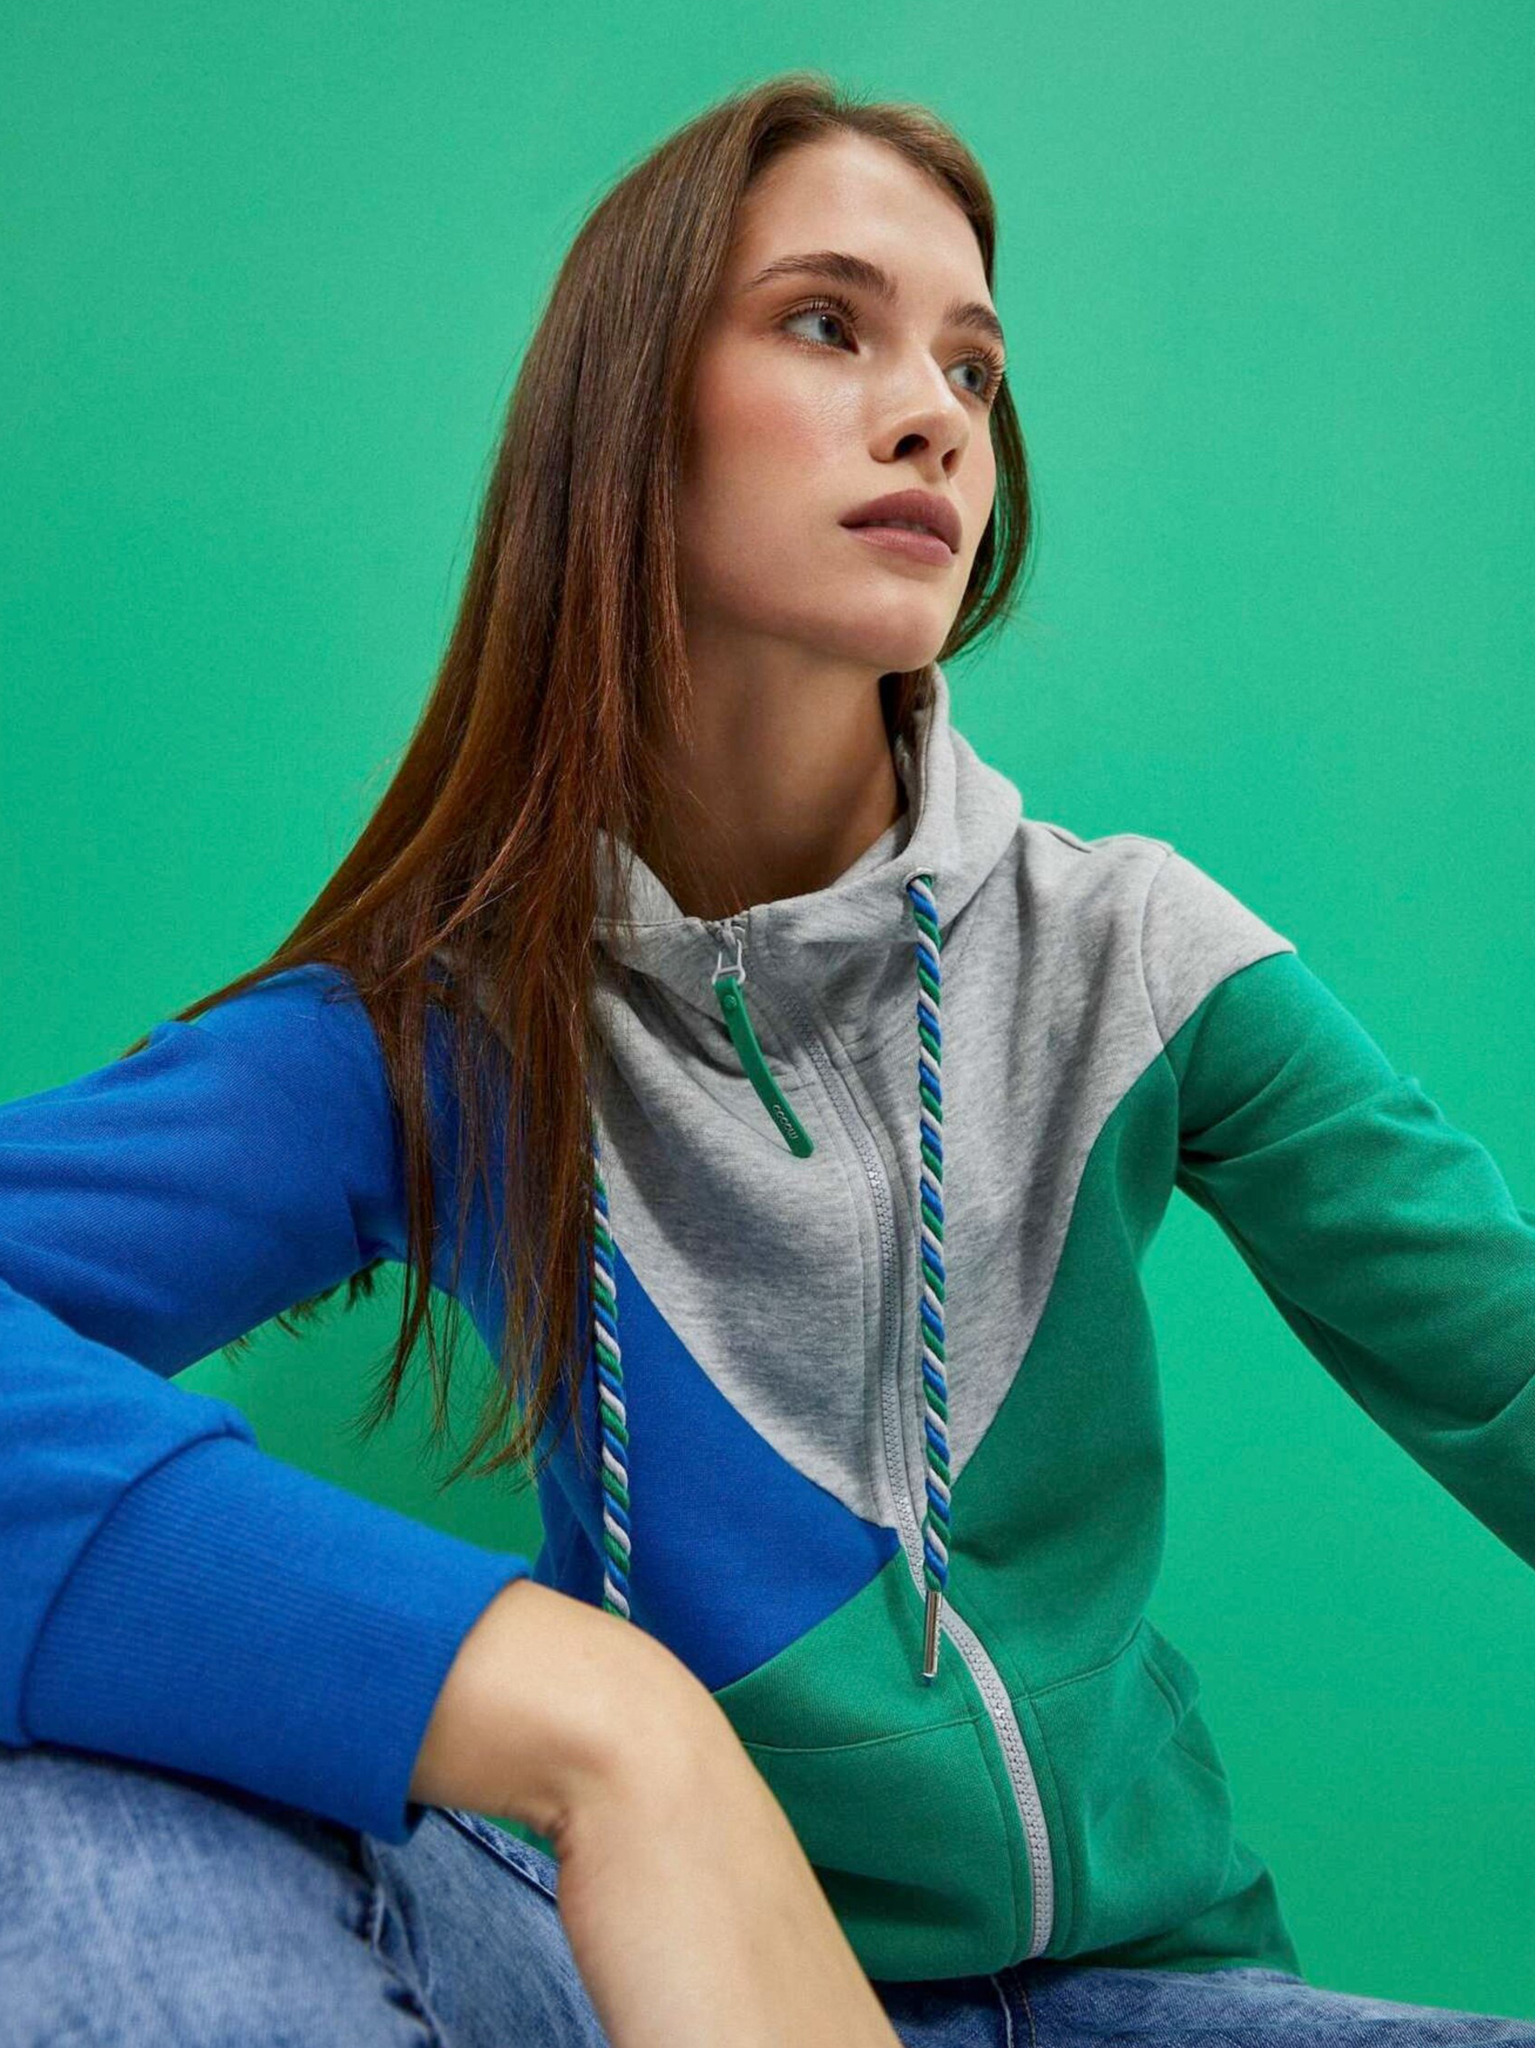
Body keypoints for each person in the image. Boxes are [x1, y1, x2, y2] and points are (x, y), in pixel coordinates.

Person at [1, 70, 1531, 2048]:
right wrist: (593, 1713)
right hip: (630, 1980)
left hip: (1132, 1999)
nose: (936, 415)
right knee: (74, 1823)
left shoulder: (1130, 956)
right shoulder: (435, 1038)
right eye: (828, 324)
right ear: (627, 415)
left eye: (972, 369)